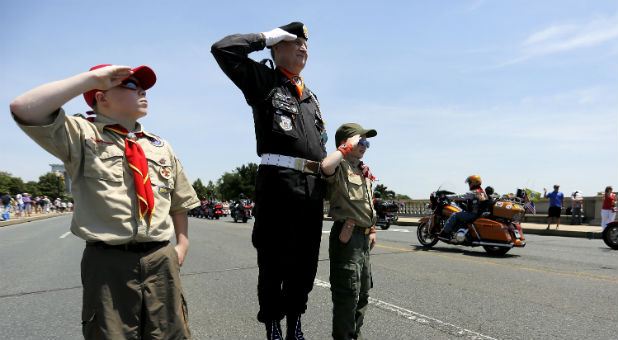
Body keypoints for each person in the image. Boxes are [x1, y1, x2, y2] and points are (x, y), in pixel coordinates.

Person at [10, 64, 200, 339]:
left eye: (142, 86)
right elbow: (24, 108)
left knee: (171, 333)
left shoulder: (159, 145)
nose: (142, 90)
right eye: (131, 85)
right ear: (101, 97)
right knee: (111, 334)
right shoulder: (81, 136)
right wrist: (90, 79)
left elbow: (179, 201)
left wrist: (181, 244)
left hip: (161, 259)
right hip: (108, 262)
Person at [212, 22, 327, 340]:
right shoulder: (265, 81)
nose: (303, 47)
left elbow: (320, 145)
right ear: (277, 48)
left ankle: (295, 322)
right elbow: (223, 49)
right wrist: (264, 38)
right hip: (279, 183)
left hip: (313, 187)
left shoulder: (311, 98)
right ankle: (273, 323)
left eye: (306, 43)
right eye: (294, 41)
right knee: (275, 259)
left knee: (305, 264)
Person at [321, 123, 377, 340]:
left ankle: (355, 336)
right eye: (360, 141)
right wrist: (344, 148)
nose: (364, 145)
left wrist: (372, 228)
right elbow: (326, 166)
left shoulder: (362, 170)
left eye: (366, 142)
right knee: (347, 295)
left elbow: (366, 203)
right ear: (346, 143)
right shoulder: (341, 165)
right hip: (347, 237)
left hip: (363, 239)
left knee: (363, 293)